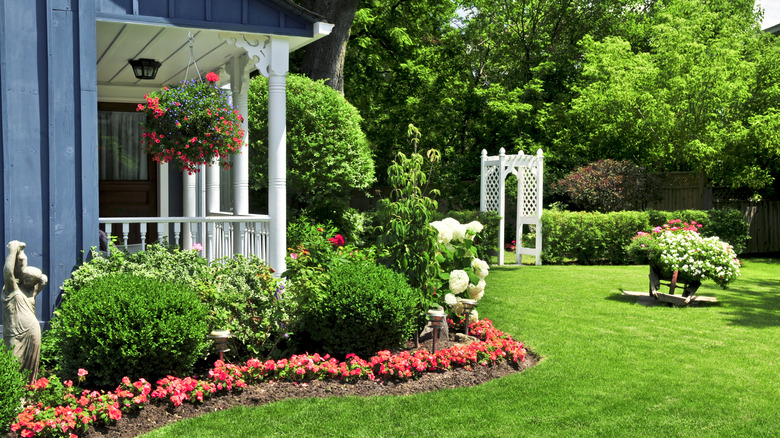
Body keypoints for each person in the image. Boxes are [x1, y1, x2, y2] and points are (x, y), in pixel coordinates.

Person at [2, 240, 47, 383]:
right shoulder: (11, 289)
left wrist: (35, 276)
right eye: (27, 278)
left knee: (30, 366)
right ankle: (13, 397)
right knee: (12, 363)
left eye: (32, 281)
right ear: (22, 276)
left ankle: (27, 394)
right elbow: (9, 271)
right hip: (14, 332)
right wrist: (14, 251)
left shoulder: (31, 291)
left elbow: (43, 280)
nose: (29, 282)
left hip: (32, 331)